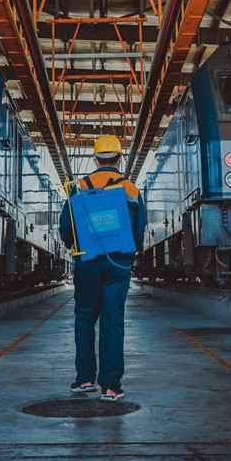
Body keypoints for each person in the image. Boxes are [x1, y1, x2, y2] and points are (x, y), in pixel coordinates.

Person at [59, 134, 147, 401]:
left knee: (85, 318)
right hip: (118, 262)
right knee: (112, 321)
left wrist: (77, 251)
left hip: (87, 261)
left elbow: (65, 228)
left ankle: (84, 380)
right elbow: (138, 229)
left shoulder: (79, 187)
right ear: (119, 159)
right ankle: (110, 386)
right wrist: (129, 256)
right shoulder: (130, 189)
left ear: (95, 159)